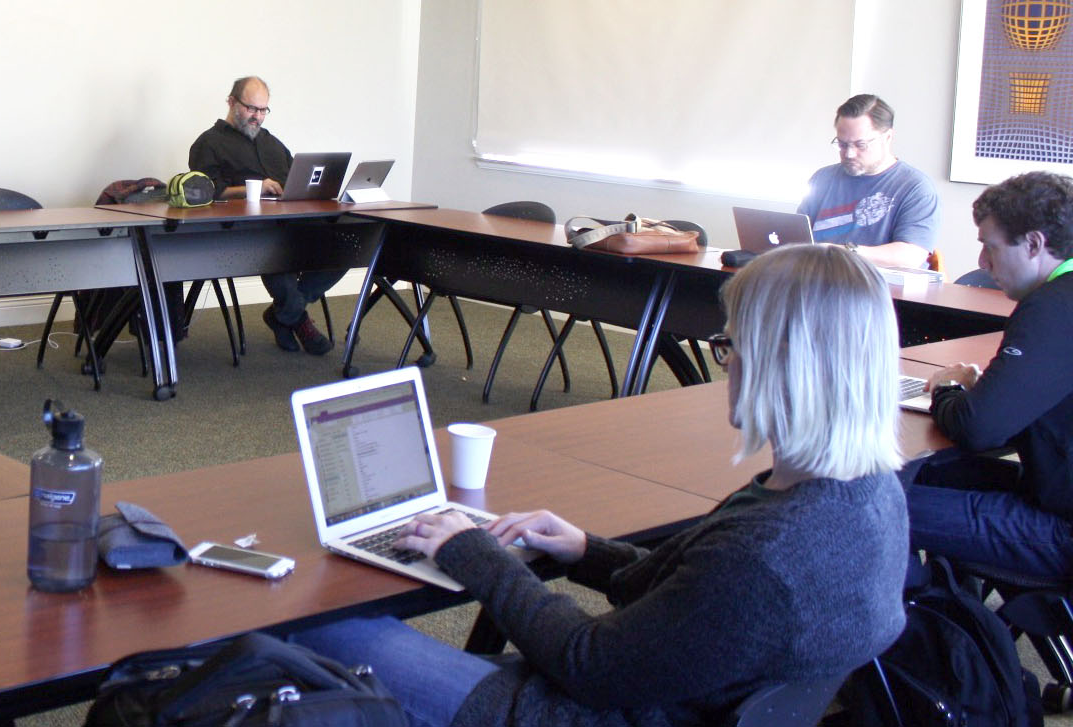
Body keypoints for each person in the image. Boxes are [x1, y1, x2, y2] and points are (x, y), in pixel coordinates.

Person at [290, 244, 908, 726]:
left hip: (566, 711)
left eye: (729, 346)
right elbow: (694, 607)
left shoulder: (762, 561)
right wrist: (587, 549)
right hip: (670, 696)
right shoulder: (872, 496)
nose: (727, 366)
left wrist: (475, 555)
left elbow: (588, 665)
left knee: (310, 626)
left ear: (785, 363)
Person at [904, 171, 1073, 581]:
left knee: (868, 505)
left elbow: (978, 429)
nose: (981, 263)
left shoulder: (1052, 306)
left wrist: (945, 387)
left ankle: (931, 636)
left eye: (988, 247)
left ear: (1034, 244)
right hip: (1055, 494)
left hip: (1061, 531)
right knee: (927, 474)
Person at [189, 76, 342, 355]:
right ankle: (299, 320)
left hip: (290, 222)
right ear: (232, 102)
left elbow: (298, 177)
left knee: (343, 244)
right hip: (244, 231)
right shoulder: (209, 143)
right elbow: (205, 192)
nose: (257, 117)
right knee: (277, 251)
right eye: (251, 109)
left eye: (262, 110)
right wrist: (254, 190)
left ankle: (283, 313)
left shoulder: (272, 142)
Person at [796, 94, 941, 269]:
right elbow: (799, 236)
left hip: (875, 290)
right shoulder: (822, 178)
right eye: (842, 144)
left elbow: (910, 256)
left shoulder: (916, 188)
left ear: (887, 137)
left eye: (861, 145)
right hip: (816, 281)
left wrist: (840, 253)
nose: (849, 154)